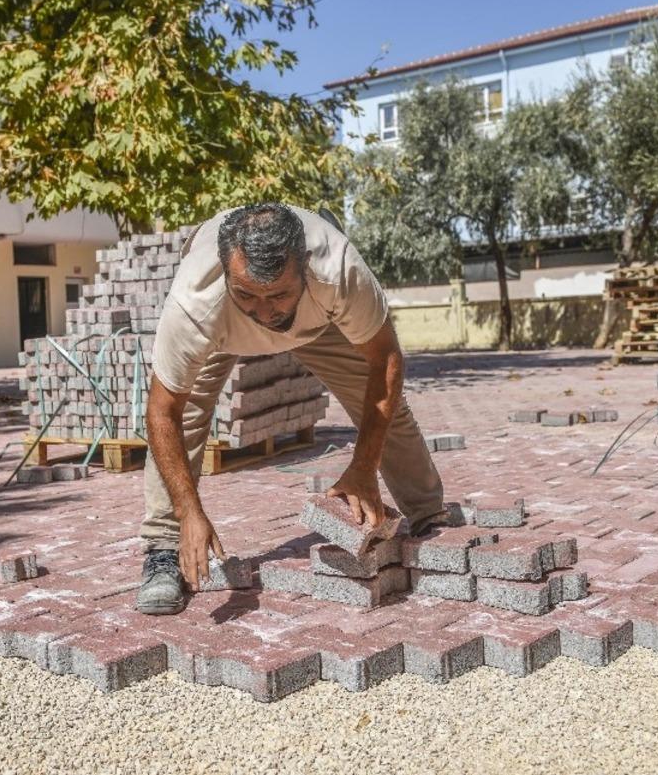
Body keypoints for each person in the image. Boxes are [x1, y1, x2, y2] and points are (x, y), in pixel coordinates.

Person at [137, 202, 448, 615]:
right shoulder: (195, 301)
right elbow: (162, 412)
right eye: (249, 294)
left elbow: (386, 361)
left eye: (278, 294)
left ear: (305, 268)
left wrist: (363, 466)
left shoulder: (339, 271)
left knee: (383, 405)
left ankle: (428, 513)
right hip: (222, 326)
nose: (265, 313)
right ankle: (163, 547)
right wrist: (189, 509)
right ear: (227, 273)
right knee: (187, 414)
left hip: (315, 321)